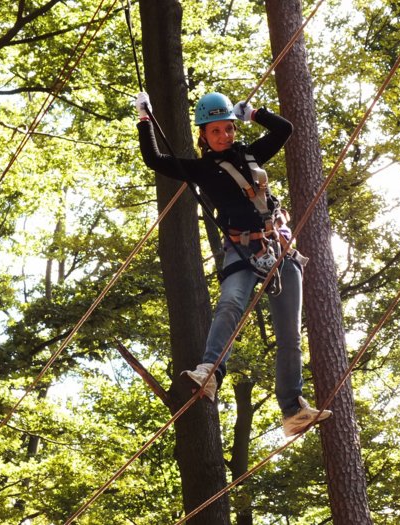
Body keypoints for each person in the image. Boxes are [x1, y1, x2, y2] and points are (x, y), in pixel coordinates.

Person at [135, 91, 332, 436]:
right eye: (216, 131)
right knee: (229, 304)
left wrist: (252, 113)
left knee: (289, 335)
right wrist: (144, 118)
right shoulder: (201, 170)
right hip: (242, 251)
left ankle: (292, 409)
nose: (224, 136)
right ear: (203, 136)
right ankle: (209, 373)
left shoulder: (252, 153)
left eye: (228, 129)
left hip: (280, 249)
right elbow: (155, 159)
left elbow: (284, 129)